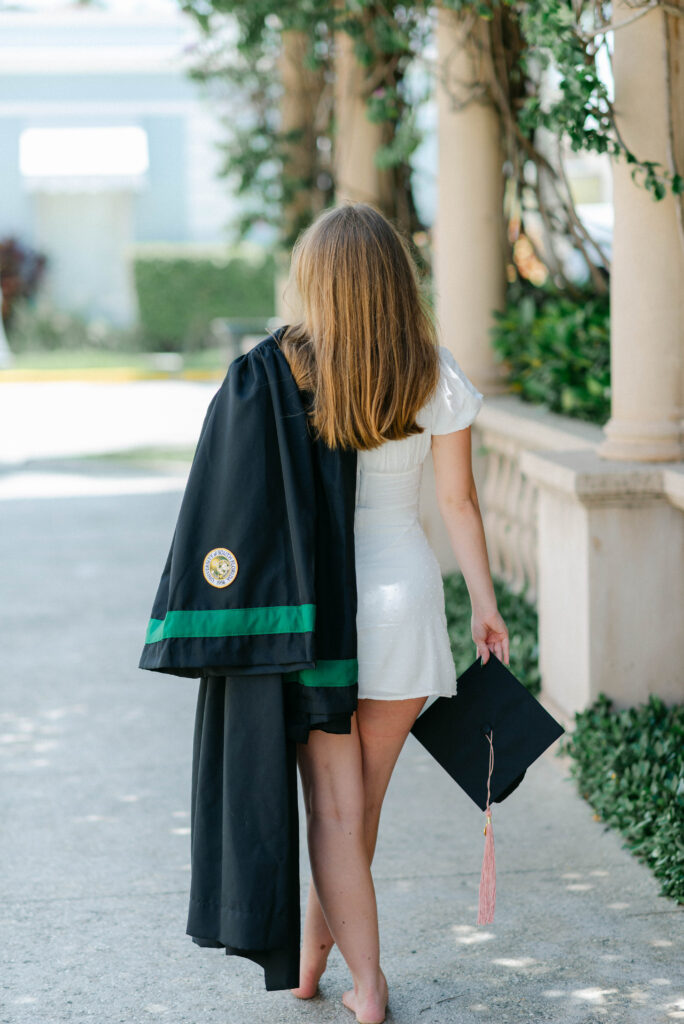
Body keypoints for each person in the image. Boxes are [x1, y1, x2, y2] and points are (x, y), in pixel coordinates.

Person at [276, 202, 510, 1024]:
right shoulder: (433, 374)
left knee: (335, 815)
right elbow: (460, 502)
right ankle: (313, 967)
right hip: (407, 601)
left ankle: (367, 990)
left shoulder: (294, 373)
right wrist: (484, 604)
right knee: (358, 813)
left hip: (330, 615)